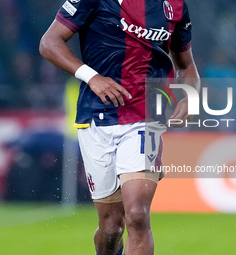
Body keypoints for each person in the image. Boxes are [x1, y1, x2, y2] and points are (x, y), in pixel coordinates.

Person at [40, 0, 199, 254]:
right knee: (111, 226)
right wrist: (92, 77)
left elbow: (186, 64)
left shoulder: (175, 5)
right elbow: (49, 43)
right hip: (97, 117)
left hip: (146, 117)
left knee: (137, 214)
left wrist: (191, 96)